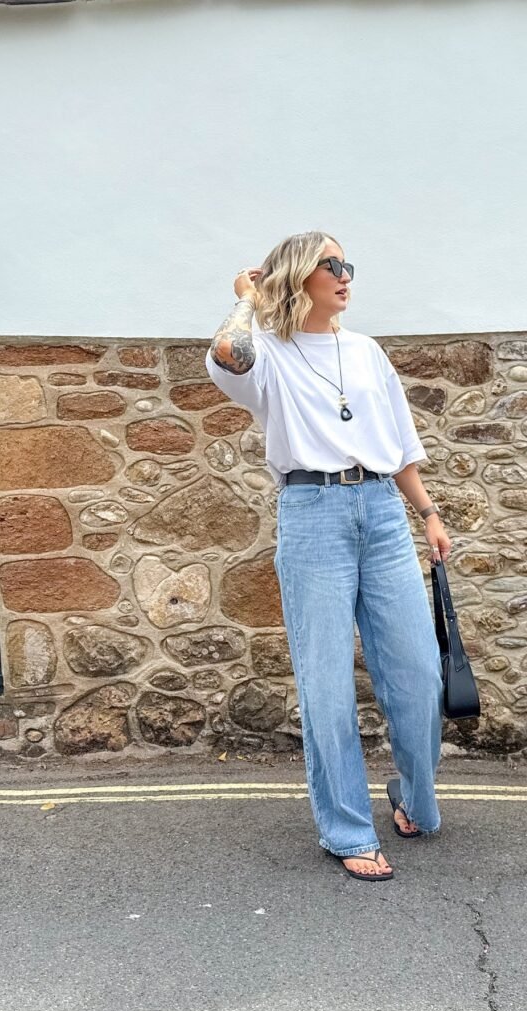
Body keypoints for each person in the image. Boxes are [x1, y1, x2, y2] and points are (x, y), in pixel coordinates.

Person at [205, 231, 452, 881]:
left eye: (348, 265)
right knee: (327, 687)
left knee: (419, 676)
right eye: (330, 266)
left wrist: (426, 513)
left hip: (380, 513)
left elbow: (398, 442)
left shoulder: (366, 352)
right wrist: (249, 296)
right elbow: (228, 352)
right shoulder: (271, 356)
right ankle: (346, 828)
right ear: (297, 278)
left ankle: (414, 796)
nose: (345, 276)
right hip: (312, 515)